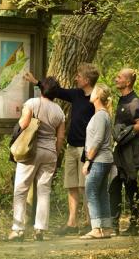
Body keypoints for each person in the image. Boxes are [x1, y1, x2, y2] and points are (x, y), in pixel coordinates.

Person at [24, 63, 99, 235]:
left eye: (79, 76)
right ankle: (72, 223)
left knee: (85, 187)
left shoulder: (96, 98)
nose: (76, 78)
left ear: (87, 80)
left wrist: (92, 151)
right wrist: (36, 82)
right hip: (72, 147)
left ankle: (90, 223)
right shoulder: (77, 94)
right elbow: (56, 91)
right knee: (72, 185)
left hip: (86, 150)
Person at [8, 77, 65, 241]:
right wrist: (55, 152)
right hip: (50, 153)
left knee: (21, 189)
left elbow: (25, 124)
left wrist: (20, 120)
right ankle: (40, 229)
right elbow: (60, 137)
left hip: (31, 151)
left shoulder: (32, 103)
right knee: (44, 190)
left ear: (42, 90)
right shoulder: (59, 111)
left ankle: (18, 229)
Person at [109, 68, 139, 236]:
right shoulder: (122, 100)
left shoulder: (135, 101)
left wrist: (125, 131)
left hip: (131, 151)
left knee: (131, 186)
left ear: (128, 82)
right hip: (120, 151)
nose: (116, 79)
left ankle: (135, 225)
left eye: (119, 77)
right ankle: (114, 224)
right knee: (115, 186)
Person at [80, 83, 114, 239]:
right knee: (101, 193)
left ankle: (96, 228)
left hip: (99, 160)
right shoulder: (102, 114)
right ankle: (106, 228)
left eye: (93, 92)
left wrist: (88, 161)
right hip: (104, 160)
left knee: (91, 191)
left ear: (99, 95)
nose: (90, 94)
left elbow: (98, 139)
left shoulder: (101, 115)